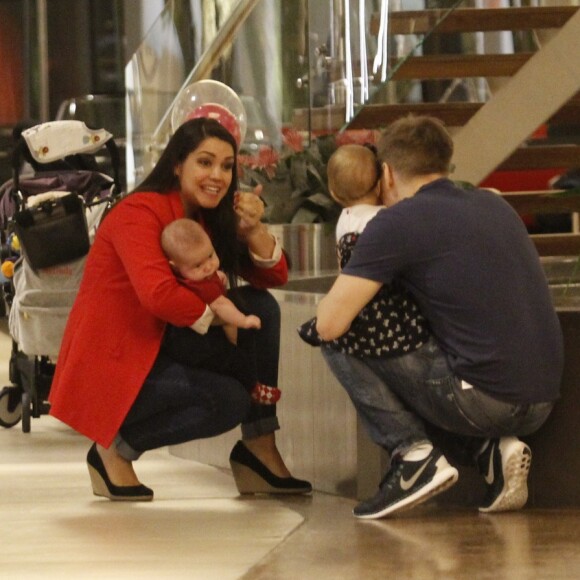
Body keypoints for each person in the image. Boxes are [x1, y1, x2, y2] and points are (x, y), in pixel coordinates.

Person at [49, 116, 312, 501]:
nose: (218, 175)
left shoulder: (206, 216)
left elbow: (274, 278)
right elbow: (158, 295)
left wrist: (254, 230)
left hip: (168, 343)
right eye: (205, 162)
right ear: (177, 164)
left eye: (226, 166)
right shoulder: (138, 212)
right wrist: (222, 316)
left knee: (261, 308)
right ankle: (113, 449)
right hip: (122, 359)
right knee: (227, 400)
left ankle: (259, 447)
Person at [316, 115, 563, 519]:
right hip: (543, 400)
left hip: (485, 400)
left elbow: (331, 322)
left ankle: (413, 457)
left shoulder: (397, 222)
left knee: (331, 333)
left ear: (387, 173)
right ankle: (487, 451)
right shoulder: (493, 203)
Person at [298, 143, 430, 358]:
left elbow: (345, 269)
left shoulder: (343, 222)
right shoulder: (385, 218)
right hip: (392, 318)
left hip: (357, 319)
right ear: (380, 184)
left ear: (333, 193)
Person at [160, 217, 281, 406]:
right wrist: (244, 320)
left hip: (193, 336)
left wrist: (218, 277)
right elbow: (222, 307)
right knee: (235, 357)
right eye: (198, 265)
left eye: (210, 256)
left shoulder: (196, 275)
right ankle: (253, 389)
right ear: (174, 266)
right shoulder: (198, 285)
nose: (208, 266)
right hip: (192, 343)